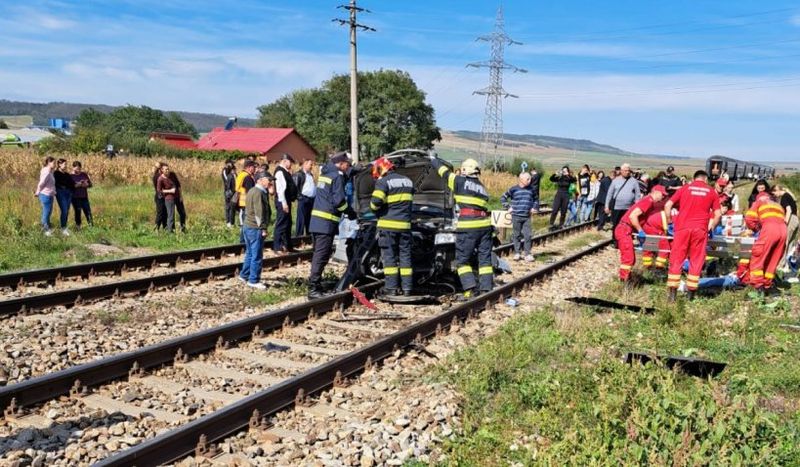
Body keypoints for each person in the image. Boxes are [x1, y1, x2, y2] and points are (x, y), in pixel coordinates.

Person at [431, 155, 493, 299]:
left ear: (465, 170)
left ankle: (470, 289)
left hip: (469, 226)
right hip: (484, 225)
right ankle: (486, 288)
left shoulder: (459, 181)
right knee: (484, 260)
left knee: (462, 260)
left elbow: (444, 172)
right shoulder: (482, 188)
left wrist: (433, 159)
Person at [665, 170, 722, 301]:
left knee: (676, 259)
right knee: (696, 260)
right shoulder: (711, 191)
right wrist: (711, 227)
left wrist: (669, 222)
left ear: (694, 178)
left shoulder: (685, 188)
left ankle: (672, 295)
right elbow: (718, 215)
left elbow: (668, 205)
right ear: (706, 180)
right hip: (700, 230)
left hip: (682, 229)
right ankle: (690, 295)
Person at [307, 152, 354, 299]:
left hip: (316, 222)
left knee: (318, 254)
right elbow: (339, 201)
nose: (349, 167)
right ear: (341, 163)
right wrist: (350, 212)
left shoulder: (325, 174)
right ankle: (313, 288)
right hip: (326, 224)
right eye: (348, 164)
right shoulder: (337, 177)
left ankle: (316, 284)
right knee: (321, 255)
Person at [369, 156, 415, 296]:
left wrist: (374, 209)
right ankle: (407, 288)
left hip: (388, 227)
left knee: (389, 257)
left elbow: (375, 203)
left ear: (381, 168)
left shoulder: (383, 182)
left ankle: (391, 288)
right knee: (405, 257)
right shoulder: (408, 181)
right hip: (405, 227)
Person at [614, 185, 667, 282]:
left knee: (630, 258)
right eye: (662, 194)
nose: (663, 197)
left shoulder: (648, 201)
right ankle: (624, 281)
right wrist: (640, 231)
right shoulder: (648, 201)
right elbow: (632, 216)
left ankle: (626, 279)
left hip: (626, 229)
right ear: (655, 192)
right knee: (628, 258)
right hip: (624, 229)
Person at [745, 192, 787, 293]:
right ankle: (769, 285)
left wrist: (756, 229)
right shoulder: (778, 205)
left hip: (769, 229)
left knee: (759, 256)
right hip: (783, 230)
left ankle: (758, 285)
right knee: (773, 258)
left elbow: (749, 218)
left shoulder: (759, 202)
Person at [239, 173, 273, 289]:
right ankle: (253, 280)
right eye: (269, 180)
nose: (270, 182)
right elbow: (259, 212)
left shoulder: (252, 190)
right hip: (255, 228)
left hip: (247, 226)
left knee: (249, 253)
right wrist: (263, 228)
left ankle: (244, 275)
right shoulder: (259, 193)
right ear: (260, 180)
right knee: (257, 255)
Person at [500, 172, 536, 261]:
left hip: (527, 216)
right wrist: (508, 207)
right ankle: (517, 253)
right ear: (521, 179)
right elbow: (503, 197)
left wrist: (534, 207)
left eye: (530, 178)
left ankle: (527, 254)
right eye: (527, 179)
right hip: (516, 216)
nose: (530, 180)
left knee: (527, 235)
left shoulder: (531, 189)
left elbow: (536, 199)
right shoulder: (513, 189)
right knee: (517, 235)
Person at [605, 163, 641, 237]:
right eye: (625, 170)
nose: (627, 172)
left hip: (629, 208)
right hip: (616, 207)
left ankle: (626, 239)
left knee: (627, 225)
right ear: (621, 171)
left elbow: (637, 194)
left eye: (628, 170)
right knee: (616, 224)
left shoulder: (634, 181)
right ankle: (615, 240)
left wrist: (637, 206)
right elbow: (609, 194)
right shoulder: (615, 181)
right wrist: (606, 206)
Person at [273, 153, 298, 253]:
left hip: (286, 200)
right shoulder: (280, 172)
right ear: (285, 161)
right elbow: (280, 189)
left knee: (287, 223)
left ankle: (287, 245)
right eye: (290, 162)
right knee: (281, 224)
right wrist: (284, 203)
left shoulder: (285, 171)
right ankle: (277, 247)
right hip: (282, 201)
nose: (291, 164)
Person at [772, 184, 798, 271]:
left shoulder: (784, 197)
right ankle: (788, 264)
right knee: (790, 243)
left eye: (774, 193)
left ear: (777, 190)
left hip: (791, 220)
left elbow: (789, 210)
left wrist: (785, 222)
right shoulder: (788, 195)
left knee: (785, 242)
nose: (774, 195)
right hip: (796, 220)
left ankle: (781, 264)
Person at [294, 159, 317, 237]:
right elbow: (295, 187)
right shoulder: (299, 174)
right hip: (303, 198)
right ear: (305, 164)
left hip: (311, 199)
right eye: (310, 164)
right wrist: (299, 197)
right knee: (301, 219)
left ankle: (308, 235)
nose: (311, 166)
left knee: (309, 219)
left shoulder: (310, 174)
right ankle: (299, 237)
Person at [235, 160, 257, 240]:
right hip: (246, 203)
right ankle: (243, 241)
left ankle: (243, 241)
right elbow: (250, 192)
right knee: (247, 224)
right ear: (249, 167)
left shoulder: (241, 174)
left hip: (243, 203)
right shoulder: (247, 177)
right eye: (253, 167)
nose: (255, 169)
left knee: (245, 223)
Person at [34, 156, 56, 236]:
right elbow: (41, 183)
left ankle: (47, 228)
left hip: (50, 194)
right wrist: (37, 192)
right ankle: (45, 230)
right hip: (45, 195)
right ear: (48, 163)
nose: (55, 164)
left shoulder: (50, 171)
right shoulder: (46, 172)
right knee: (46, 212)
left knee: (48, 212)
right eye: (53, 163)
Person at [53, 158, 75, 236]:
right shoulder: (56, 173)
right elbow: (56, 183)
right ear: (59, 164)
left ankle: (64, 227)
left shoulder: (67, 174)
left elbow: (72, 184)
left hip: (68, 193)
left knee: (67, 210)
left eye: (66, 164)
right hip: (61, 192)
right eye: (64, 164)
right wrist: (64, 186)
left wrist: (71, 190)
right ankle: (63, 228)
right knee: (64, 210)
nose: (66, 166)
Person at [70, 161, 93, 228]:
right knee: (78, 212)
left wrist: (87, 184)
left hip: (84, 196)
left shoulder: (84, 174)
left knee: (88, 211)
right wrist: (78, 184)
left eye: (79, 169)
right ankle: (78, 226)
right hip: (75, 197)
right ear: (73, 168)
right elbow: (69, 187)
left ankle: (91, 225)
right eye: (77, 169)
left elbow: (90, 184)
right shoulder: (70, 176)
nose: (78, 170)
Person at [156, 164, 178, 233]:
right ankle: (169, 232)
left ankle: (172, 230)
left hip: (173, 198)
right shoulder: (160, 179)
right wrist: (170, 191)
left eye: (168, 169)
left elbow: (174, 185)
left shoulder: (170, 177)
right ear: (162, 170)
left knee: (172, 215)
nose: (167, 170)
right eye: (166, 169)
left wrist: (174, 188)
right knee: (170, 215)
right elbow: (159, 190)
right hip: (168, 198)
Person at [222, 160, 237, 227]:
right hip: (229, 192)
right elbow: (226, 181)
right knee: (228, 207)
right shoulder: (225, 171)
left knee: (232, 207)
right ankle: (228, 221)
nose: (232, 164)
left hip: (234, 191)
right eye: (231, 163)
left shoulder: (234, 173)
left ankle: (231, 221)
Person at [152, 162, 167, 230]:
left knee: (164, 213)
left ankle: (164, 228)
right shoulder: (158, 176)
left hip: (161, 196)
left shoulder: (157, 175)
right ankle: (156, 228)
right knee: (161, 213)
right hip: (160, 196)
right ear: (161, 169)